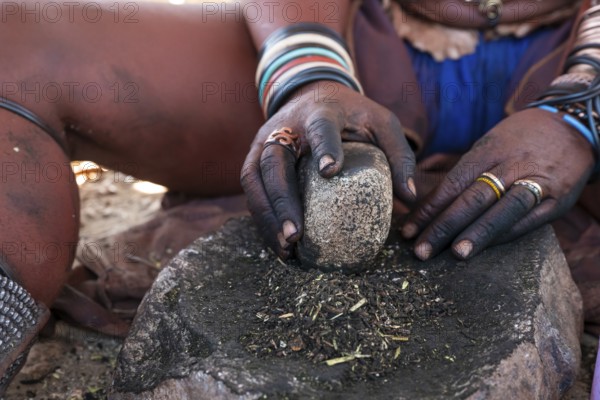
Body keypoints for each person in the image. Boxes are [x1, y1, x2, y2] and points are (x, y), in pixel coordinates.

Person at [0, 0, 598, 393]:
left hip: (574, 57)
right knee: (14, 44)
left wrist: (582, 109)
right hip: (354, 36)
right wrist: (308, 76)